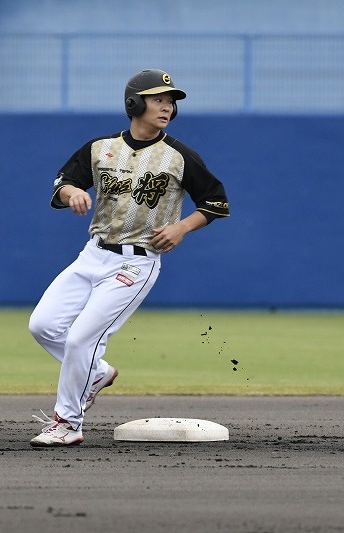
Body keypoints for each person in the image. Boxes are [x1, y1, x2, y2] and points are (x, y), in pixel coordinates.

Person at [27, 69, 230, 446]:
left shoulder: (179, 155)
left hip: (136, 263)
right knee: (43, 326)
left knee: (81, 339)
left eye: (171, 102)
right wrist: (73, 193)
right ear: (134, 103)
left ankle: (68, 424)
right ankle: (97, 374)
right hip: (93, 255)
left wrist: (182, 227)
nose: (167, 107)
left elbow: (216, 202)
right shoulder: (100, 148)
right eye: (158, 99)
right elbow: (63, 183)